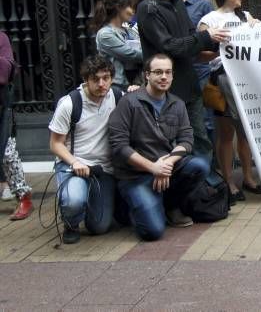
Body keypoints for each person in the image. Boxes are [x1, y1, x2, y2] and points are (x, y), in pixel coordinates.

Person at [135, 0, 229, 162]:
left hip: (189, 85)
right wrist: (206, 36)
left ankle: (206, 187)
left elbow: (189, 37)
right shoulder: (148, 8)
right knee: (170, 143)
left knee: (200, 139)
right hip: (165, 89)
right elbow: (169, 45)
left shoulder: (177, 1)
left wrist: (218, 44)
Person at [109, 54, 210, 241]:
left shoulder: (177, 104)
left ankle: (170, 205)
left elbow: (187, 140)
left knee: (199, 166)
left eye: (168, 72)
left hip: (164, 169)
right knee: (152, 232)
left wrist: (167, 163)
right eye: (158, 72)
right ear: (147, 75)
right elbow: (119, 146)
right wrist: (152, 167)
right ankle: (128, 207)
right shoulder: (129, 102)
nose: (164, 77)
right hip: (135, 176)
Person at [199, 0, 261, 202]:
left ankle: (248, 177)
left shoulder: (245, 17)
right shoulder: (209, 20)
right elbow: (200, 54)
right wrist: (223, 52)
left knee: (244, 133)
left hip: (246, 78)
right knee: (226, 133)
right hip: (223, 80)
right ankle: (228, 181)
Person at [49, 56, 120, 244]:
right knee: (73, 201)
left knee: (99, 227)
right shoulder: (70, 103)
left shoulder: (117, 96)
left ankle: (96, 207)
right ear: (86, 80)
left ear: (112, 78)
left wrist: (135, 89)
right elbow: (55, 143)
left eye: (106, 78)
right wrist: (75, 162)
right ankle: (70, 222)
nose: (101, 84)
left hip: (103, 169)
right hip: (74, 166)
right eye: (95, 79)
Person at [177, 0, 215, 144]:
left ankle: (213, 163)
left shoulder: (202, 5)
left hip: (202, 69)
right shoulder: (168, 7)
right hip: (179, 70)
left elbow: (213, 34)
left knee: (207, 119)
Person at [0, 30, 32, 221]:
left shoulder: (1, 38)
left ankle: (24, 197)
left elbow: (4, 72)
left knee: (7, 153)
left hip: (1, 107)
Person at [93, 0, 142, 89]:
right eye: (130, 7)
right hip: (117, 85)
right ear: (119, 8)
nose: (133, 11)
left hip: (135, 83)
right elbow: (131, 54)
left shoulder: (130, 30)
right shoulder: (105, 34)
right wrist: (153, 54)